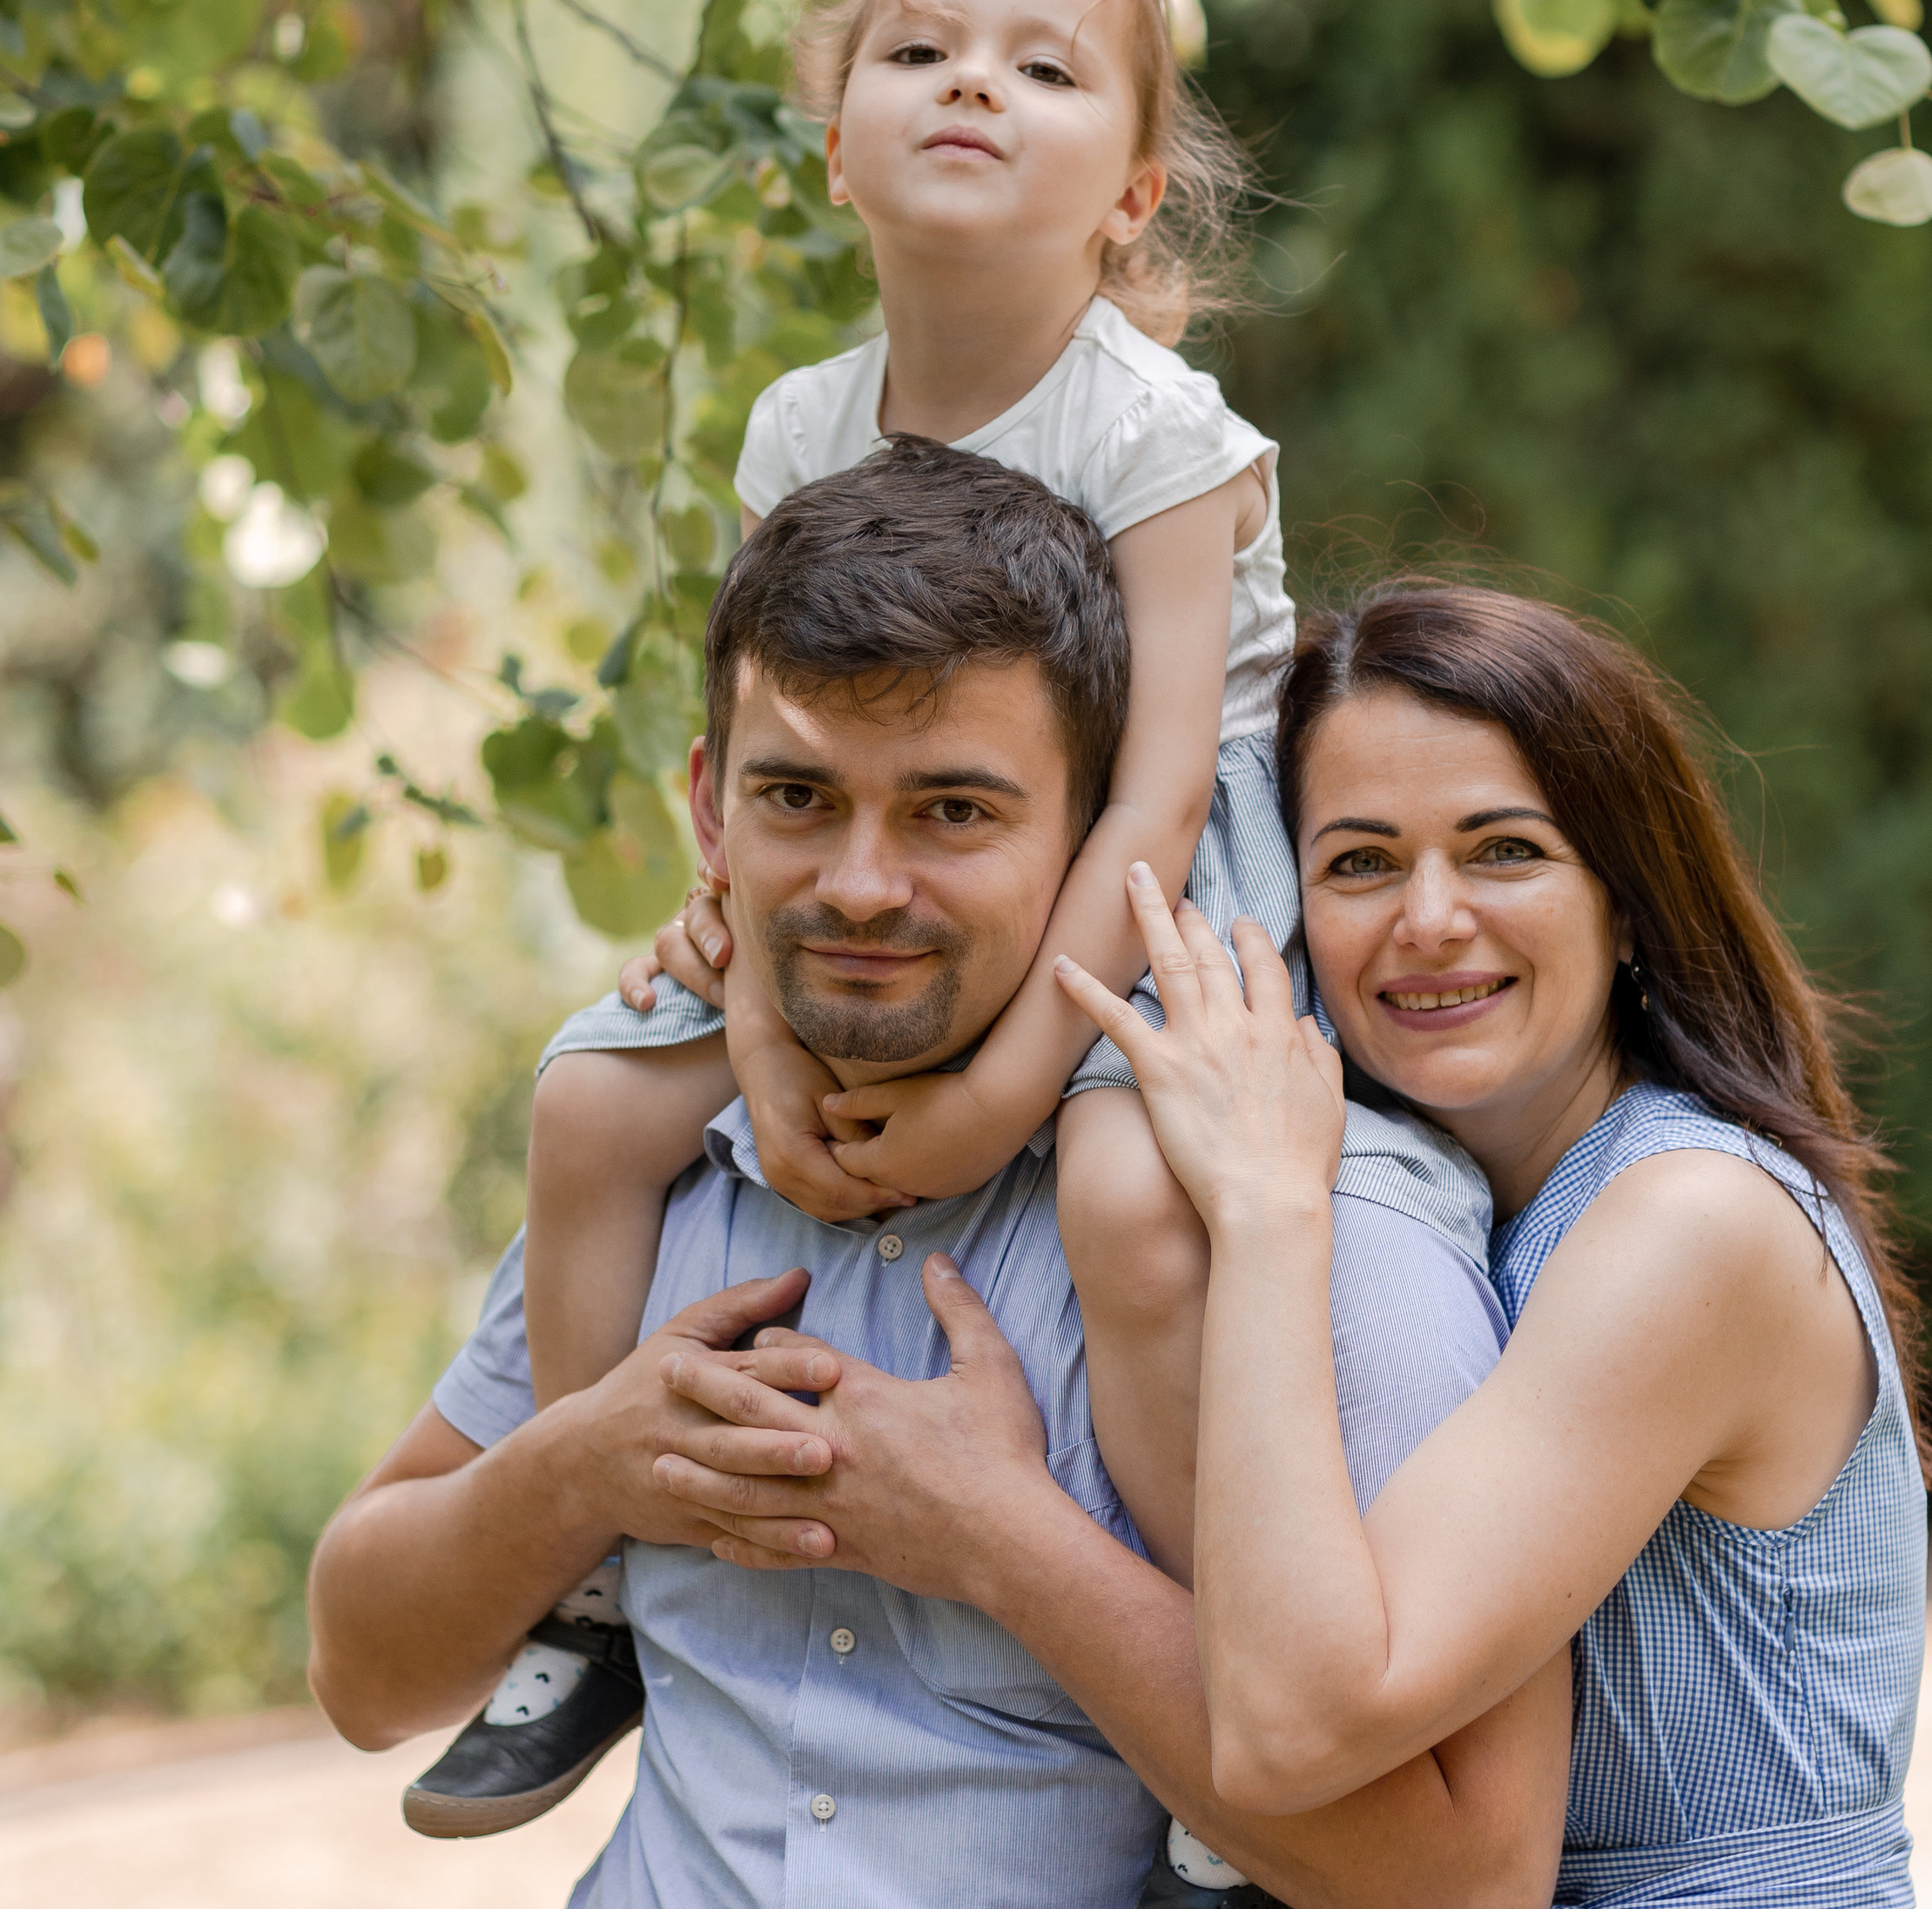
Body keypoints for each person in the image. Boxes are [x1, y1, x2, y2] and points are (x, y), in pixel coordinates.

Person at [406, 0, 1484, 1867]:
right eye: (917, 52)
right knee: (583, 1101)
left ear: (1134, 189)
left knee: (1112, 1185)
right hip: (911, 873)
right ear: (836, 146)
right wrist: (746, 1008)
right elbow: (755, 751)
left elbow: (1159, 782)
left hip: (1158, 885)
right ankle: (593, 1588)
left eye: (1041, 65)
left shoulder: (1164, 433)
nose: (969, 82)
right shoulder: (798, 422)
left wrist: (999, 1085)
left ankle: (1220, 1688)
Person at [308, 450, 1572, 1908]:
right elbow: (363, 1673)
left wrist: (1002, 1542)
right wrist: (587, 1460)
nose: (858, 883)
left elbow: (1468, 1885)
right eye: (798, 798)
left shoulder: (1293, 1218)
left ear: (1098, 834)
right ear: (711, 812)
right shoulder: (665, 1160)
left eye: (951, 812)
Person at [672, 585, 1932, 1909]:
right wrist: (746, 973)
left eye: (1504, 851)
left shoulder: (1693, 1224)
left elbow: (1292, 1726)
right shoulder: (1478, 1211)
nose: (1430, 919)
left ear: (1627, 900)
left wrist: (1263, 1216)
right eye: (1360, 862)